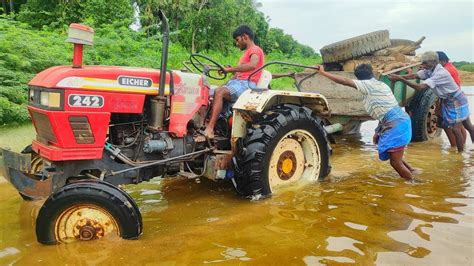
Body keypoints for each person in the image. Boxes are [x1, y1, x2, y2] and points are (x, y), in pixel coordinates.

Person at [317, 64, 415, 181]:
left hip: (397, 125)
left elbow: (344, 81)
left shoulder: (367, 85)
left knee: (395, 163)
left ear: (358, 78)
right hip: (398, 122)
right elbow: (383, 111)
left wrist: (323, 73)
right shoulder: (380, 84)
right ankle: (412, 171)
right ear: (372, 73)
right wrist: (377, 132)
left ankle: (413, 183)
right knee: (393, 154)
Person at [389, 51, 474, 152]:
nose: (423, 65)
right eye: (423, 63)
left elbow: (420, 87)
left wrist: (400, 79)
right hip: (448, 99)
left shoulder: (440, 73)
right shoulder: (430, 69)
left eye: (425, 63)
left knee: (456, 129)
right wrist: (399, 77)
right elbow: (415, 76)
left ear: (434, 62)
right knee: (467, 125)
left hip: (456, 100)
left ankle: (460, 156)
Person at [203, 25, 264, 139]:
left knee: (219, 92)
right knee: (205, 90)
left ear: (245, 37)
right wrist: (229, 73)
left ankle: (210, 128)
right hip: (237, 82)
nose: (237, 43)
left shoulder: (255, 50)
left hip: (247, 84)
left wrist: (231, 69)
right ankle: (202, 124)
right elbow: (239, 73)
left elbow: (253, 65)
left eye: (237, 40)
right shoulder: (246, 54)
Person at [437, 51, 467, 146]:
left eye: (436, 62)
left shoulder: (445, 70)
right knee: (460, 125)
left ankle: (455, 147)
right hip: (457, 98)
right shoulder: (450, 67)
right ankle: (462, 146)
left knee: (448, 125)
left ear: (443, 61)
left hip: (452, 100)